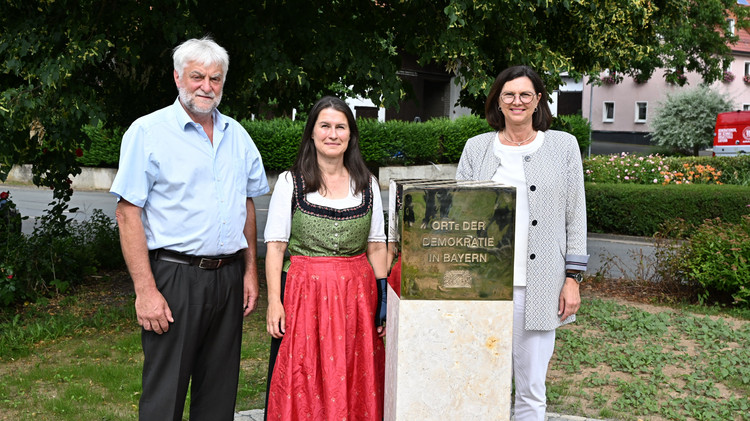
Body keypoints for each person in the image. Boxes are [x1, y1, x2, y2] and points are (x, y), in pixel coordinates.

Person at [110, 36, 269, 421]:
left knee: (219, 394)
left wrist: (250, 271)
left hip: (228, 277)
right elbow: (128, 213)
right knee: (165, 396)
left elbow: (245, 204)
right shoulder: (147, 132)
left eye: (215, 79)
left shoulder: (238, 136)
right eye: (197, 76)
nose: (206, 87)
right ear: (178, 77)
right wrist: (145, 291)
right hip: (174, 278)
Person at [456, 65, 588, 421]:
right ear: (498, 101)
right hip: (485, 287)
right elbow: (459, 215)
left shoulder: (563, 146)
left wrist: (573, 278)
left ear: (538, 101)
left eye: (525, 95)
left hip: (540, 285)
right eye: (509, 95)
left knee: (531, 389)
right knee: (481, 379)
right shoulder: (476, 148)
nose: (517, 101)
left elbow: (575, 215)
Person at [263, 96, 388, 421]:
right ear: (312, 133)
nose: (333, 134)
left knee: (354, 372)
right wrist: (274, 302)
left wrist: (384, 302)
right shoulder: (292, 182)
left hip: (357, 298)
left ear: (351, 135)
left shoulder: (367, 185)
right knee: (303, 373)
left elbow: (376, 247)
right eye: (325, 126)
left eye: (340, 127)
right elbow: (276, 246)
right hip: (305, 294)